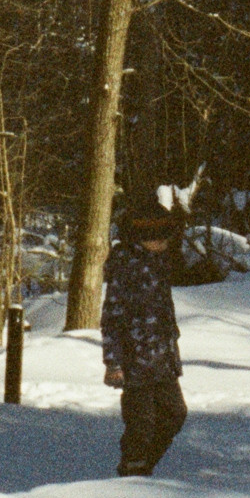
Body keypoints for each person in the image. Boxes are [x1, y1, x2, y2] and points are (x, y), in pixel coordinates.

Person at [102, 199, 187, 478]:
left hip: (162, 360)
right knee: (141, 423)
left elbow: (165, 313)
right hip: (134, 362)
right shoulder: (124, 266)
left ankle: (144, 467)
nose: (165, 243)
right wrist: (114, 363)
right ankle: (132, 472)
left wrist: (172, 352)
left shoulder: (160, 262)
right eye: (159, 238)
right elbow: (112, 318)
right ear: (143, 237)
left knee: (175, 414)